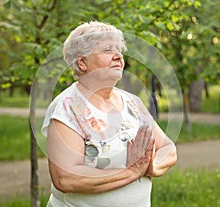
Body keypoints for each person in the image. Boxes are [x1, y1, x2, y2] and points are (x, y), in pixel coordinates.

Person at [42, 21, 177, 207]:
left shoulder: (133, 103)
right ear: (82, 63)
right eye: (107, 50)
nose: (118, 56)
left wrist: (151, 166)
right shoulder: (67, 107)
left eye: (119, 50)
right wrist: (131, 172)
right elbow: (66, 178)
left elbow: (168, 149)